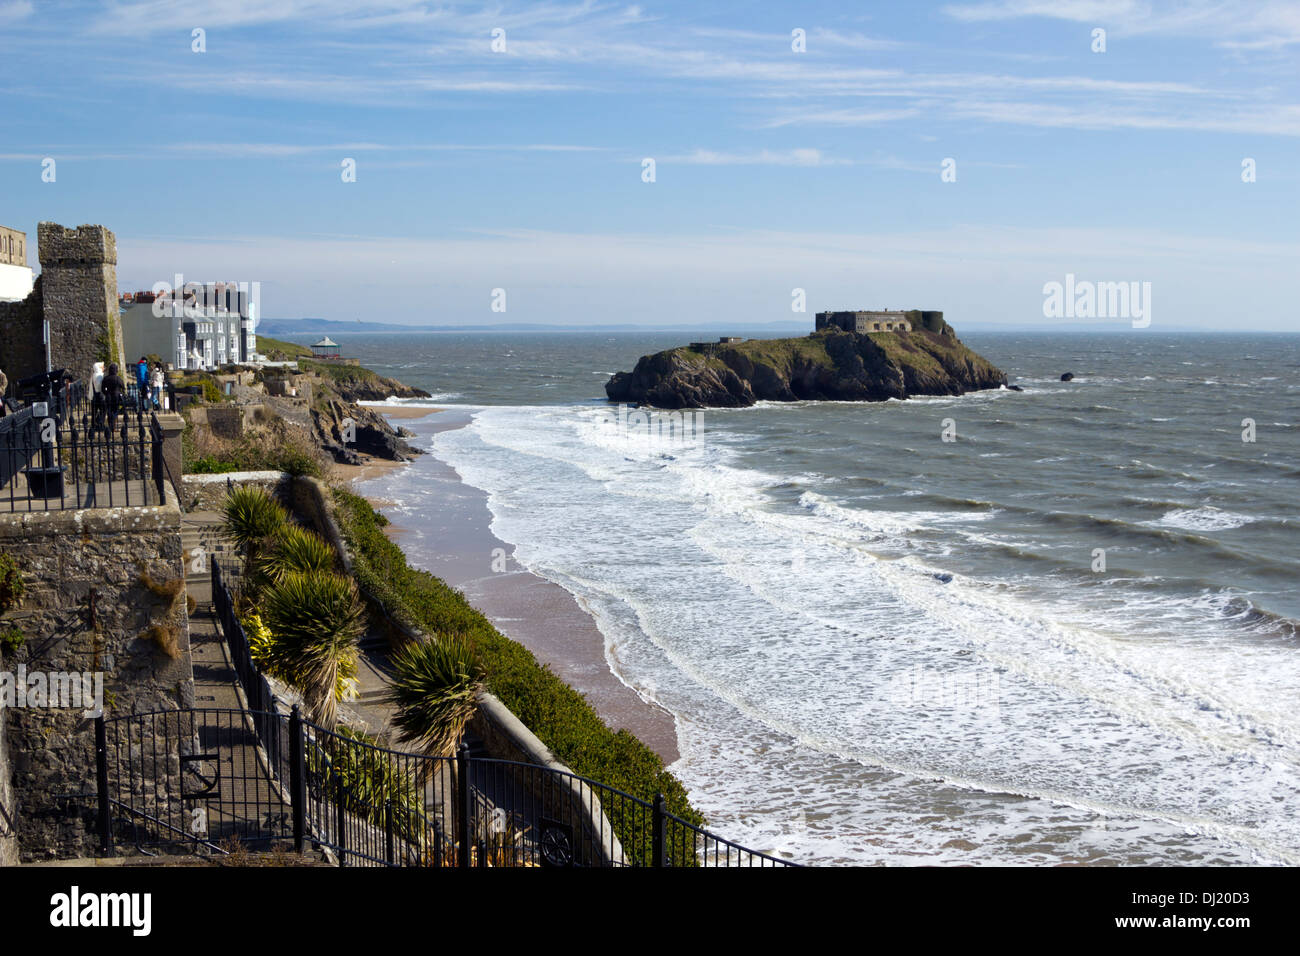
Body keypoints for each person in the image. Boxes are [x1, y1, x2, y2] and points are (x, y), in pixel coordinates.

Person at [102, 362, 125, 433]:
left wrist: (106, 393)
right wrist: (120, 392)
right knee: (115, 411)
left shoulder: (106, 378)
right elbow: (123, 388)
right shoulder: (118, 379)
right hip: (116, 396)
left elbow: (102, 389)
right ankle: (113, 427)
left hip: (108, 396)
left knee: (109, 412)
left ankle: (110, 426)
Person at [90, 361, 106, 429]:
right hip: (101, 396)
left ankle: (93, 424)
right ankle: (101, 423)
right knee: (103, 411)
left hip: (94, 397)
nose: (103, 368)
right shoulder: (101, 375)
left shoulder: (93, 375)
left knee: (94, 412)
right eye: (102, 367)